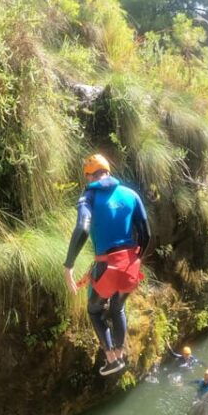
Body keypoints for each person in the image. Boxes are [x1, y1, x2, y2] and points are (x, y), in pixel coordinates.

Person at [64, 153, 152, 376]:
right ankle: (120, 353)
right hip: (131, 265)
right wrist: (136, 257)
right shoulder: (131, 195)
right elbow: (145, 233)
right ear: (108, 171)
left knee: (94, 310)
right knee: (118, 307)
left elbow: (83, 228)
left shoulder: (90, 196)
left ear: (89, 176)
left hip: (106, 268)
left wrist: (69, 265)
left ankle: (111, 358)